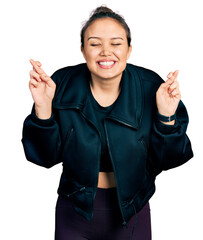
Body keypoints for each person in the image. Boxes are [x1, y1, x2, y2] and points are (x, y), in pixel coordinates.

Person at [21, 5, 193, 240]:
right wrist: (42, 108)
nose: (105, 52)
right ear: (83, 50)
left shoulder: (152, 88)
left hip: (132, 213)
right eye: (94, 44)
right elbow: (44, 158)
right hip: (75, 212)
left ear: (129, 50)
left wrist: (166, 117)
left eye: (116, 43)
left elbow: (170, 159)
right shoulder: (60, 85)